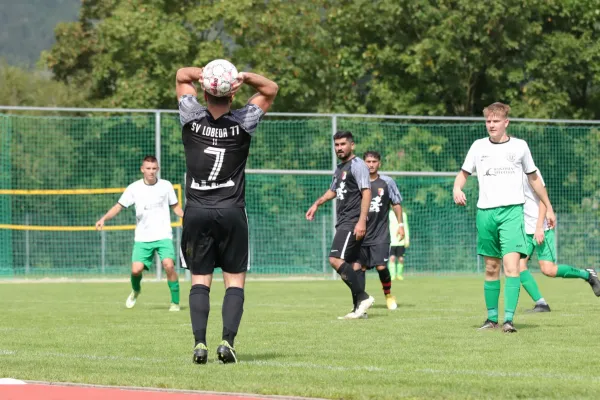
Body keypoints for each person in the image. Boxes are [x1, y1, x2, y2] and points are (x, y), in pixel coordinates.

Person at [176, 62, 278, 364]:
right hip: (231, 211)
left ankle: (199, 345)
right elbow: (271, 89)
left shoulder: (190, 116)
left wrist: (205, 75)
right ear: (232, 95)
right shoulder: (244, 121)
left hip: (196, 211)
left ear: (205, 93)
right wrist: (242, 76)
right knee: (234, 282)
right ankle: (227, 343)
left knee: (199, 280)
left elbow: (181, 75)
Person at [453, 102, 556, 333]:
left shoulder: (520, 146)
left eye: (496, 121)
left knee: (512, 267)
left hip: (511, 213)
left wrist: (548, 207)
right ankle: (491, 319)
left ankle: (508, 320)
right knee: (491, 267)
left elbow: (534, 179)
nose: (491, 125)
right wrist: (457, 188)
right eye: (488, 121)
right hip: (485, 213)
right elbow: (463, 174)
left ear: (506, 122)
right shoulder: (478, 146)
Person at [95, 155, 184, 312]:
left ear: (158, 169)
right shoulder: (134, 188)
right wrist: (104, 219)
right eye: (148, 168)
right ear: (142, 169)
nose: (151, 171)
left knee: (169, 265)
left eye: (154, 168)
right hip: (143, 238)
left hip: (163, 235)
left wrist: (189, 218)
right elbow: (118, 206)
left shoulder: (166, 186)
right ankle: (136, 290)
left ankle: (175, 302)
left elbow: (176, 207)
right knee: (136, 270)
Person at [306, 131, 375, 320]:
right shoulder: (340, 168)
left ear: (352, 145)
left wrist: (361, 221)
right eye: (336, 145)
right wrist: (317, 203)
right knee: (354, 265)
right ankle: (359, 310)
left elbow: (367, 192)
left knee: (335, 259)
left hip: (352, 221)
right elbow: (333, 190)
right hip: (345, 220)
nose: (339, 148)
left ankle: (363, 297)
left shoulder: (358, 165)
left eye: (343, 144)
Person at [518, 170, 600, 312]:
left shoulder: (530, 170)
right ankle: (541, 304)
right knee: (519, 266)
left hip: (541, 227)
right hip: (524, 229)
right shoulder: (508, 172)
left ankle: (587, 274)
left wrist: (539, 226)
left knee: (548, 269)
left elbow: (543, 198)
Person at [358, 151, 404, 311]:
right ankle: (361, 300)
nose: (371, 165)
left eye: (374, 161)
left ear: (379, 163)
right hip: (361, 234)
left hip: (380, 234)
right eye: (368, 161)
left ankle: (388, 295)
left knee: (381, 266)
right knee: (360, 268)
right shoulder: (357, 182)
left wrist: (401, 225)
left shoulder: (387, 182)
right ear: (363, 163)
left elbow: (396, 203)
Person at [389, 209, 409, 281]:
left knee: (401, 259)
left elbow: (405, 227)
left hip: (401, 241)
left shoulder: (403, 215)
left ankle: (399, 275)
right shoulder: (389, 214)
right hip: (391, 241)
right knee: (392, 258)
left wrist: (407, 239)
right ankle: (392, 275)